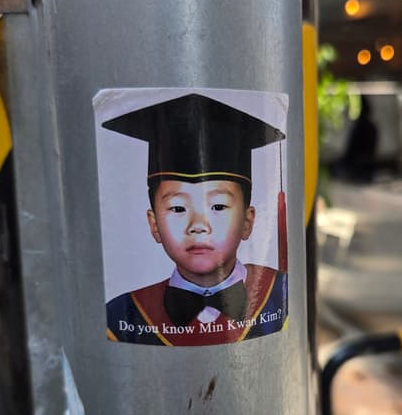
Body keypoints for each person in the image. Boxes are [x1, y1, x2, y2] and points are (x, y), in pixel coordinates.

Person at [103, 93, 288, 346]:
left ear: (248, 222)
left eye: (218, 206)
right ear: (154, 224)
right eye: (178, 208)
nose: (198, 225)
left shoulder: (280, 294)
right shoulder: (123, 314)